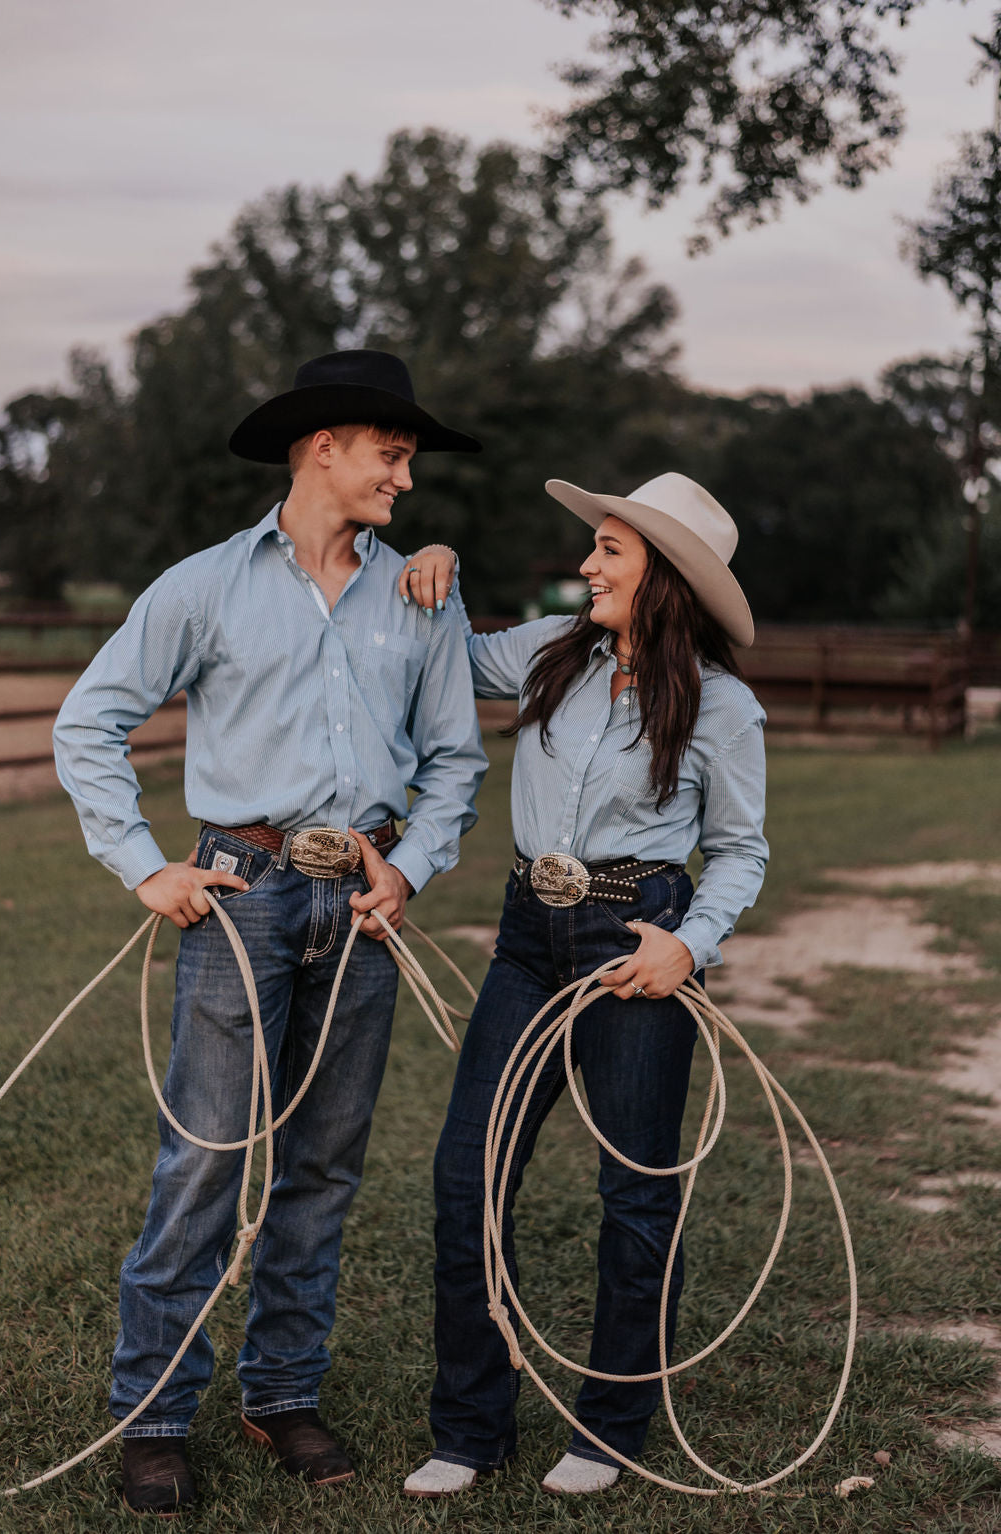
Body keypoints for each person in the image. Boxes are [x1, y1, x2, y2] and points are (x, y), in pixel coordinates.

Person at [52, 350, 488, 1517]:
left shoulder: (420, 596)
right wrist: (146, 866)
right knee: (203, 1161)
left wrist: (417, 864)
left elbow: (455, 761)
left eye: (407, 459)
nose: (404, 477)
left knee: (324, 1167)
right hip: (238, 889)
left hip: (360, 902)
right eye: (390, 454)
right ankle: (155, 1418)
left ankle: (283, 1392)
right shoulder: (203, 585)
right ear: (323, 448)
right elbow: (88, 719)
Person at [397, 472, 768, 1497]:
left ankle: (606, 1428)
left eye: (609, 549)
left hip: (636, 935)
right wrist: (435, 568)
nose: (586, 565)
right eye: (592, 547)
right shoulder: (550, 650)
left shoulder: (721, 706)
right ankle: (469, 1427)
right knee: (466, 1176)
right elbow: (443, 660)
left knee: (634, 1194)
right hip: (529, 936)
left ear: (664, 573)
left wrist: (685, 946)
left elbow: (739, 850)